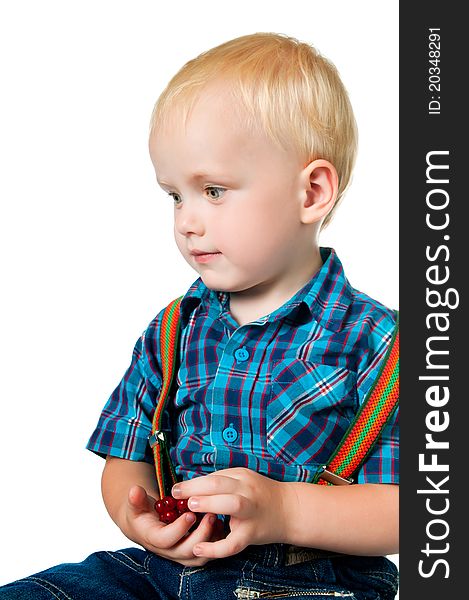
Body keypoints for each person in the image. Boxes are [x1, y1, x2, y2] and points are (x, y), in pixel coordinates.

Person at [0, 32, 399, 599]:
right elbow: (125, 456)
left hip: (313, 584)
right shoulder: (174, 331)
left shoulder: (382, 346)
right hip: (169, 572)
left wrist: (285, 509)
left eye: (213, 190)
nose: (187, 220)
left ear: (311, 192)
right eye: (175, 195)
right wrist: (136, 516)